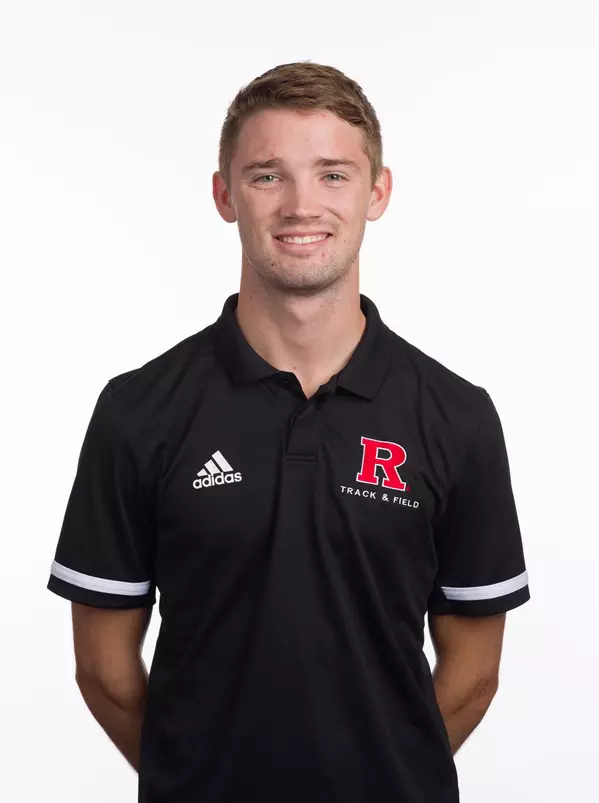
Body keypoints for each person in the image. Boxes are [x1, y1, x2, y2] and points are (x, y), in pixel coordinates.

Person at [47, 60, 530, 803]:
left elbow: (473, 674)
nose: (302, 205)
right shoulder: (139, 410)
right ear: (224, 195)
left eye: (333, 174)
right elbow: (104, 670)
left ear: (377, 192)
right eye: (268, 175)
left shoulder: (456, 416)